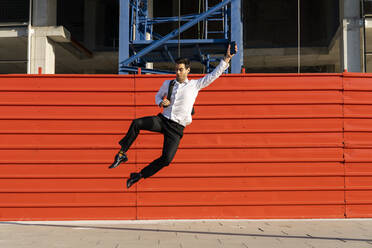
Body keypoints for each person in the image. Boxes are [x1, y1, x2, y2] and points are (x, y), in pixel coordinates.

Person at [109, 44, 237, 188]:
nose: (177, 72)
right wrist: (161, 102)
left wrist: (226, 58)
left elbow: (213, 75)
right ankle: (121, 154)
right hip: (163, 120)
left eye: (181, 69)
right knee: (137, 123)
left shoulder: (195, 85)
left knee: (166, 160)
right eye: (176, 69)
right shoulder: (168, 84)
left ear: (188, 70)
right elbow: (158, 96)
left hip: (176, 129)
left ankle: (138, 175)